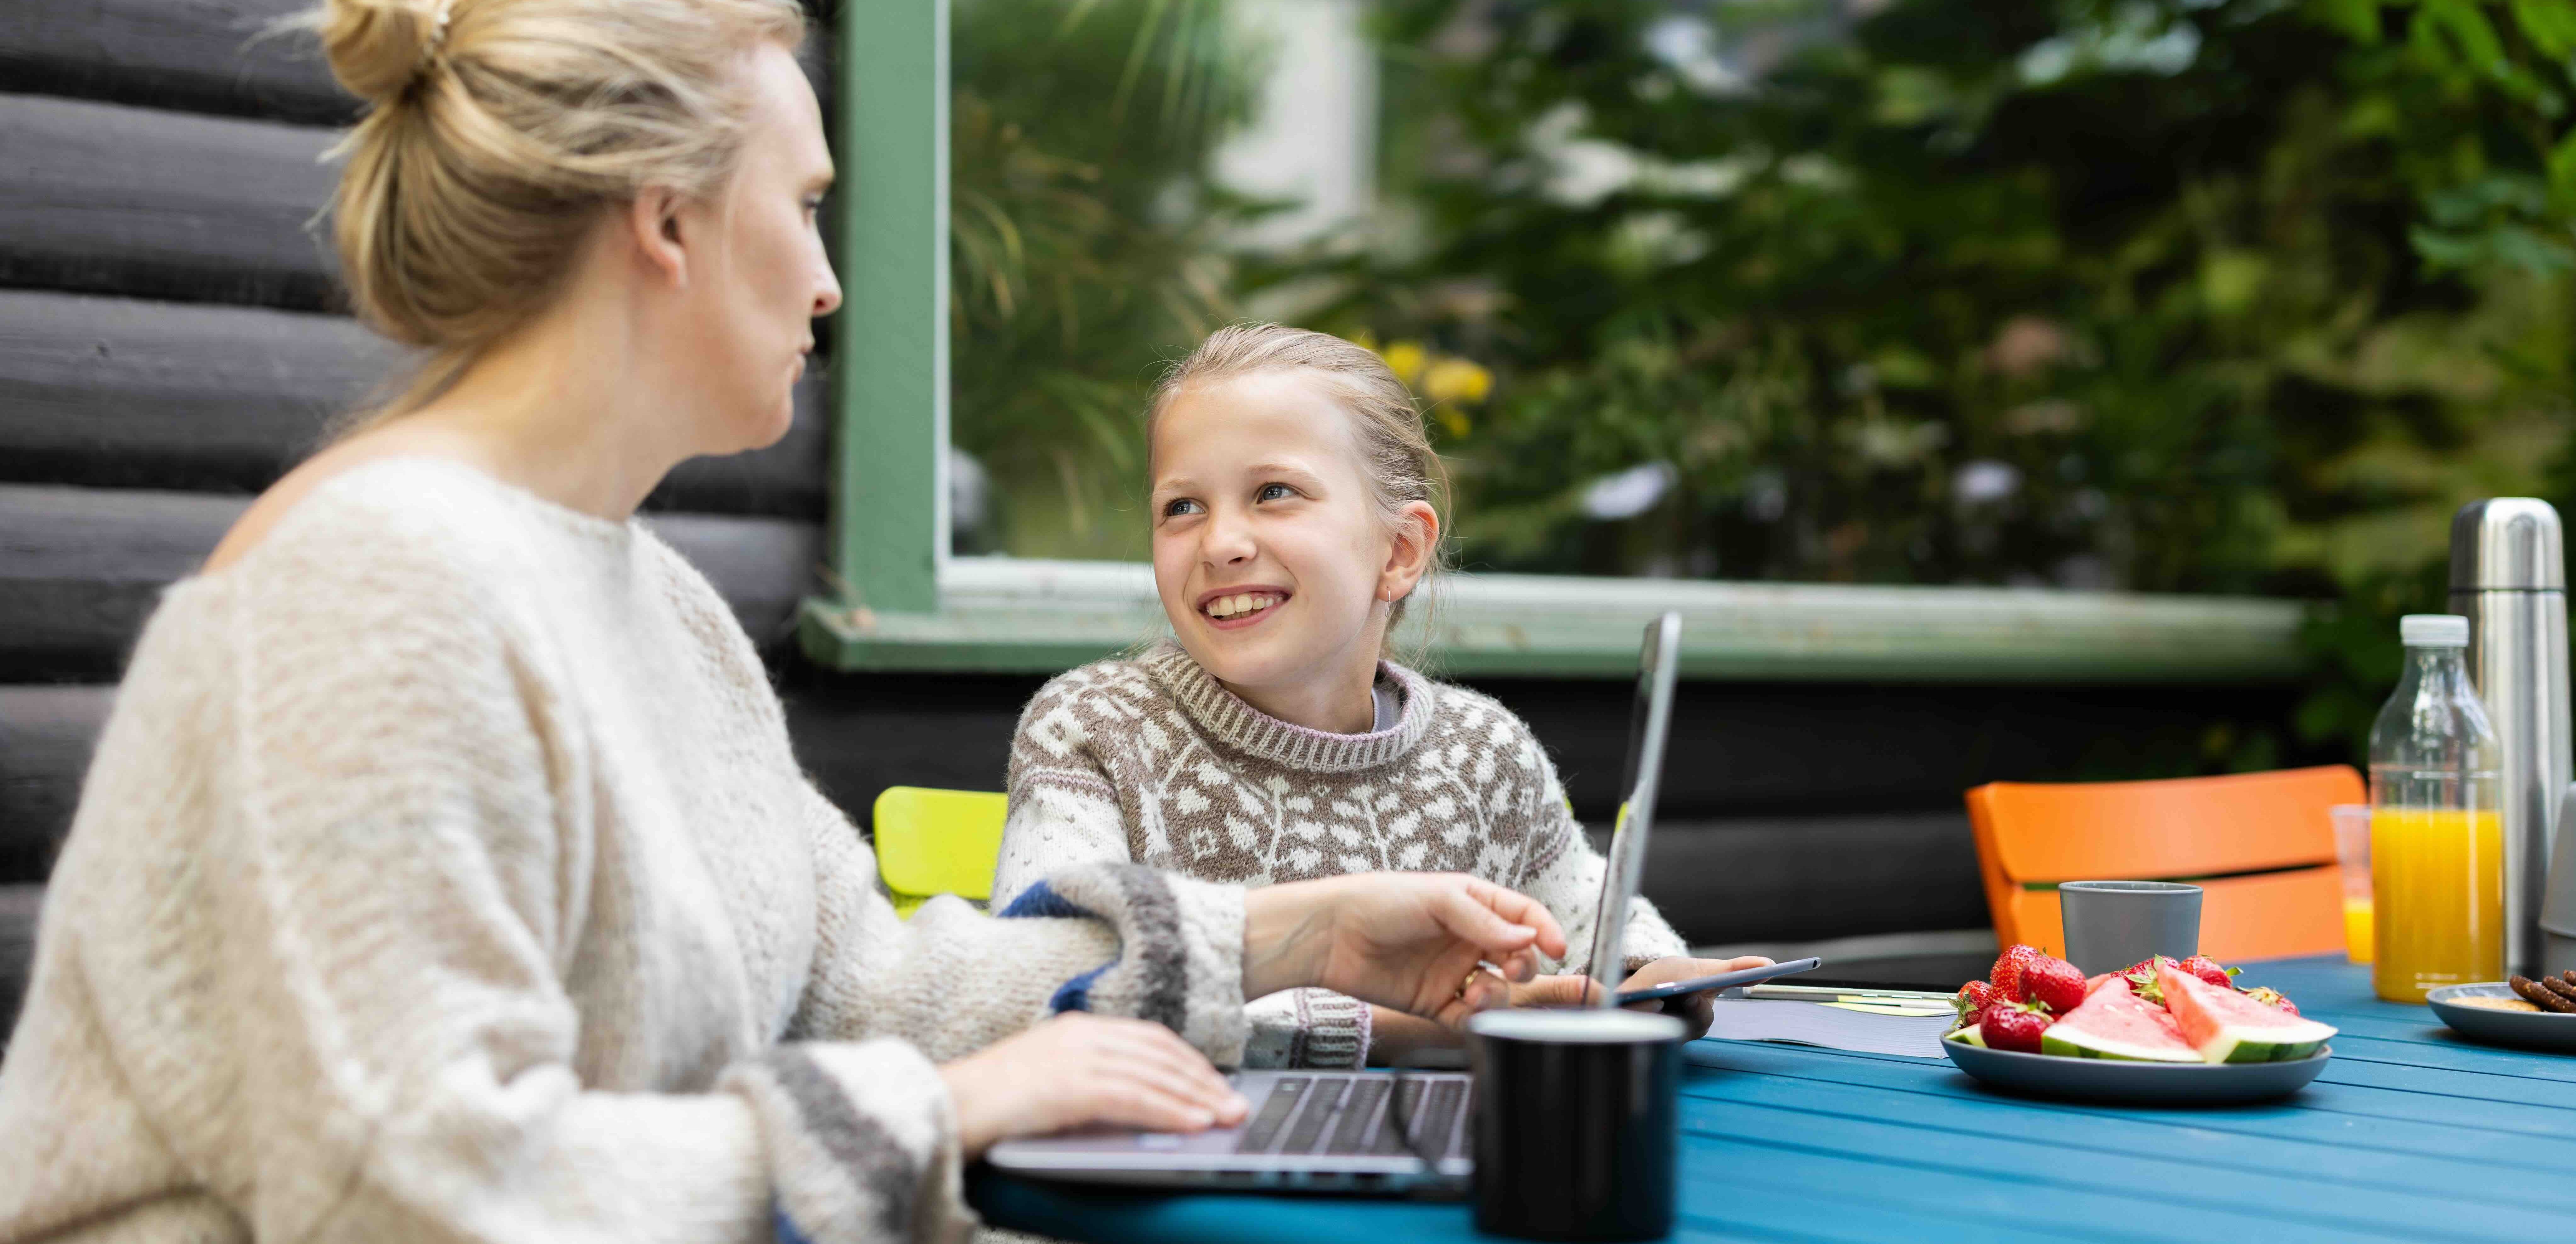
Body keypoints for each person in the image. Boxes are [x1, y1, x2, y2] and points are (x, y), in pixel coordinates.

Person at [0, 5, 1572, 1242]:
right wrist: (939, 1111)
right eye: (809, 204)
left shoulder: (649, 601)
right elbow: (419, 1200)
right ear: (667, 221)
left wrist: (1306, 932)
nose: (829, 283)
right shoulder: (368, 592)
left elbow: (860, 979)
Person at [991, 324, 1767, 1069]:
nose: (1220, 541)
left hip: (1421, 1176)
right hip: (1143, 1184)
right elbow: (1041, 984)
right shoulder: (1094, 729)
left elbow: (1598, 919)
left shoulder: (1484, 753)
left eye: (1273, 491)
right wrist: (1403, 1032)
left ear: (1398, 552)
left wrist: (1652, 975)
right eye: (1181, 507)